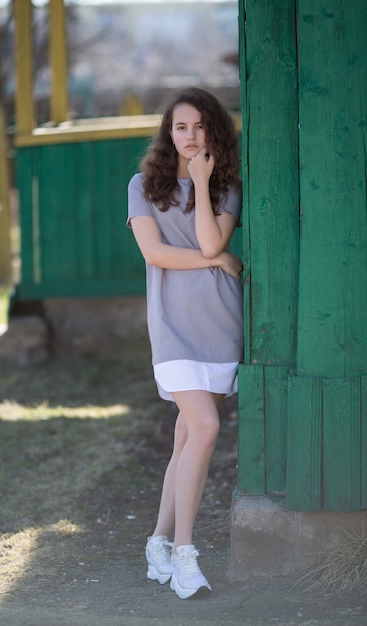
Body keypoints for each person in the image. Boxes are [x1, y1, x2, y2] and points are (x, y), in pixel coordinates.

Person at [127, 87, 243, 600]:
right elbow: (157, 255)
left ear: (212, 130)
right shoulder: (142, 186)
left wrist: (200, 181)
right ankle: (185, 553)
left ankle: (157, 539)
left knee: (186, 438)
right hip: (172, 327)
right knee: (207, 426)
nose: (190, 136)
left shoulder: (225, 186)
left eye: (198, 126)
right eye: (180, 127)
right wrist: (217, 262)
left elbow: (212, 241)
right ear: (167, 132)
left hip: (220, 324)